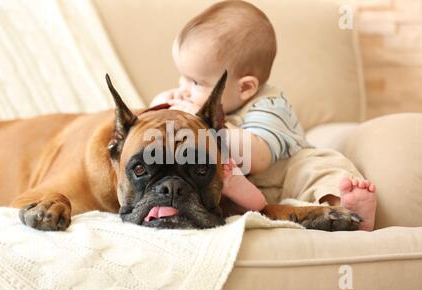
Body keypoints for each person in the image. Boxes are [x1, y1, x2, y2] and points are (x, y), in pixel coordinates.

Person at [150, 0, 376, 231]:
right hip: (245, 190)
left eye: (196, 82)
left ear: (245, 88)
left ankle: (346, 207)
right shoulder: (193, 99)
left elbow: (258, 158)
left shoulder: (270, 104)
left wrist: (199, 124)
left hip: (285, 174)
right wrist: (162, 110)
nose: (183, 88)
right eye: (182, 77)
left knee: (323, 167)